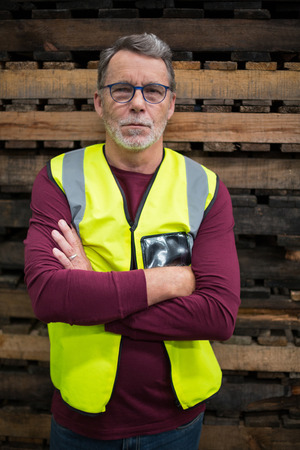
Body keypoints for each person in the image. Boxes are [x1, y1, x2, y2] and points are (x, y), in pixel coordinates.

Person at [24, 33, 240, 450]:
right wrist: (170, 283)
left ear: (171, 104)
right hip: (81, 424)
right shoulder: (59, 178)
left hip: (176, 424)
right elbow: (49, 296)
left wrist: (92, 295)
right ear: (99, 102)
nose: (138, 103)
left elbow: (217, 315)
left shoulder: (206, 188)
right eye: (122, 90)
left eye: (154, 91)